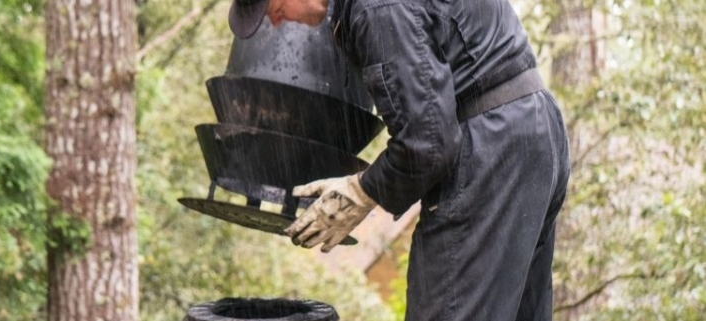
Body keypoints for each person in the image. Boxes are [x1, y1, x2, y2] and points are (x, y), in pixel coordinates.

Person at [228, 0, 571, 319]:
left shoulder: (377, 8)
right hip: (529, 129)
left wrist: (362, 192)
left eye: (272, 6)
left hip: (492, 148)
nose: (274, 21)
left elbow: (427, 143)